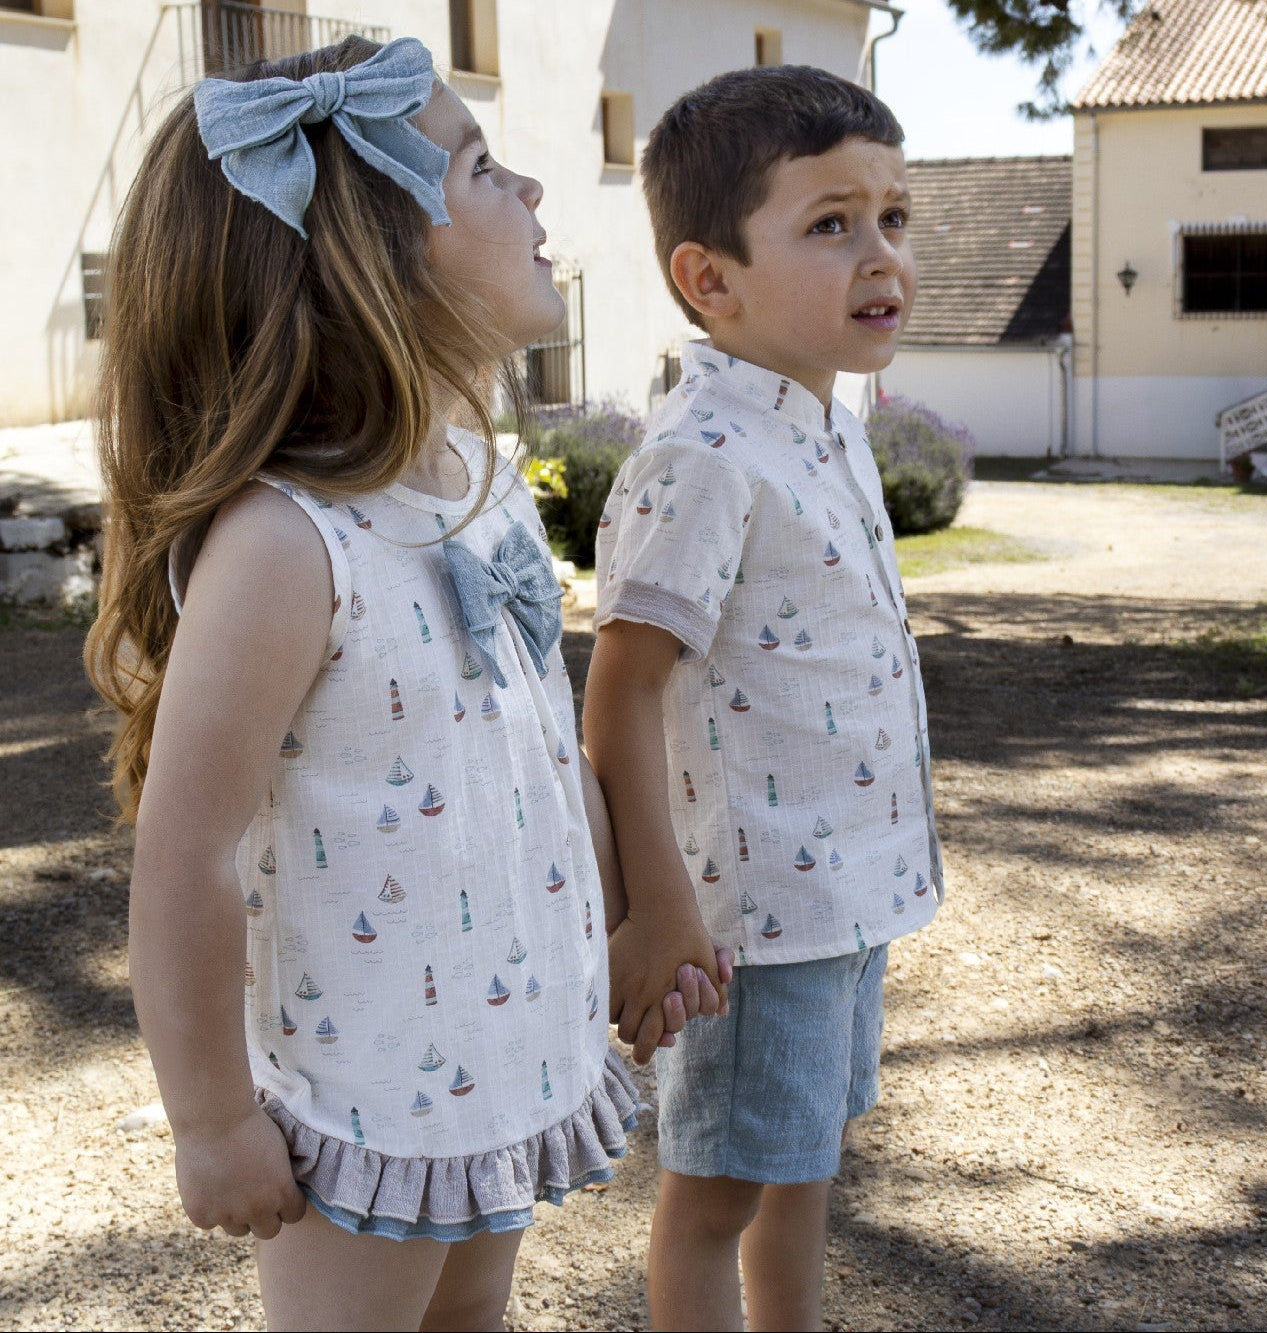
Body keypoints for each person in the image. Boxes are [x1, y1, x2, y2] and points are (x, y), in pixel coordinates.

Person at [83, 36, 721, 1333]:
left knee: (469, 1314)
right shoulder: (287, 543)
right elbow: (186, 851)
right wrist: (210, 1119)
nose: (535, 190)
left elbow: (533, 750)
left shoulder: (473, 485)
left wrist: (615, 923)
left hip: (495, 1049)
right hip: (367, 1089)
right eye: (482, 167)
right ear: (370, 257)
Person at [583, 66, 944, 1331]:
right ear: (711, 281)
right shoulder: (702, 454)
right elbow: (619, 692)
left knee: (807, 1167)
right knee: (718, 1194)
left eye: (892, 217)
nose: (880, 253)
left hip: (850, 889)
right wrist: (656, 907)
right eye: (831, 223)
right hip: (758, 917)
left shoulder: (830, 421)